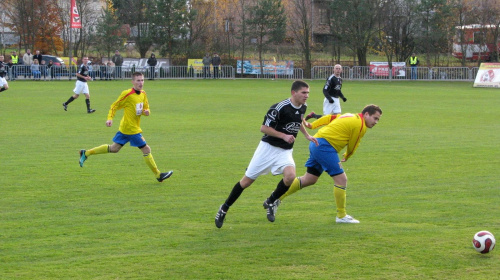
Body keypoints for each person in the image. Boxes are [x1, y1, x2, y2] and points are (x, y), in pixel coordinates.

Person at [214, 80, 318, 228]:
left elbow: (299, 120)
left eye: (308, 93)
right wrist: (283, 136)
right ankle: (224, 208)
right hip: (267, 149)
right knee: (246, 182)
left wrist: (307, 135)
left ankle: (271, 201)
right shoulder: (279, 108)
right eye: (303, 92)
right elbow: (263, 128)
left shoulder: (303, 106)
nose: (306, 95)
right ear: (293, 93)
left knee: (290, 177)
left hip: (285, 151)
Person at [276, 105, 383, 224]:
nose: (376, 122)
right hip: (324, 147)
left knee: (310, 179)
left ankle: (276, 197)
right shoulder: (360, 125)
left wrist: (312, 125)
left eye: (378, 119)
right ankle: (341, 215)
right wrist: (348, 155)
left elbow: (330, 118)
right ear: (366, 114)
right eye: (375, 118)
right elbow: (354, 143)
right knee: (341, 180)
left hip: (316, 142)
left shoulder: (349, 115)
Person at [78, 72, 173, 183]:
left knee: (114, 148)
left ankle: (86, 153)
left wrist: (146, 112)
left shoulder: (143, 94)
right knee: (146, 149)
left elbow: (145, 108)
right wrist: (110, 118)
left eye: (142, 80)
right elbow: (114, 106)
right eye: (138, 80)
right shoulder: (127, 94)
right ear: (132, 82)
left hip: (126, 128)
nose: (141, 83)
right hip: (131, 129)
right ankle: (158, 175)